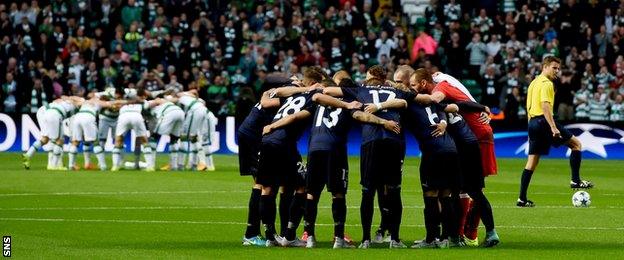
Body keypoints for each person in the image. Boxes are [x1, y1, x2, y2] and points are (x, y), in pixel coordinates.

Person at [518, 56, 593, 207]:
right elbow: (545, 106)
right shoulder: (546, 83)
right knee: (576, 144)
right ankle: (575, 180)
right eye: (554, 67)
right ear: (544, 67)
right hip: (544, 121)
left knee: (532, 162)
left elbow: (529, 107)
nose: (557, 71)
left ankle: (522, 199)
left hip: (533, 123)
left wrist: (530, 129)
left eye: (558, 68)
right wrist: (553, 127)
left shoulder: (534, 83)